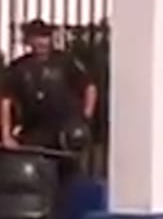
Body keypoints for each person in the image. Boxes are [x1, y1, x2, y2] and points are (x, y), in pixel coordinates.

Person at [0, 19, 96, 153]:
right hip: (33, 132)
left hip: (65, 132)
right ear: (29, 40)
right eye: (37, 37)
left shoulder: (65, 61)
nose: (42, 42)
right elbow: (5, 100)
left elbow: (89, 86)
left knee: (69, 170)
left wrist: (86, 118)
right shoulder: (18, 67)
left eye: (45, 37)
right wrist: (6, 135)